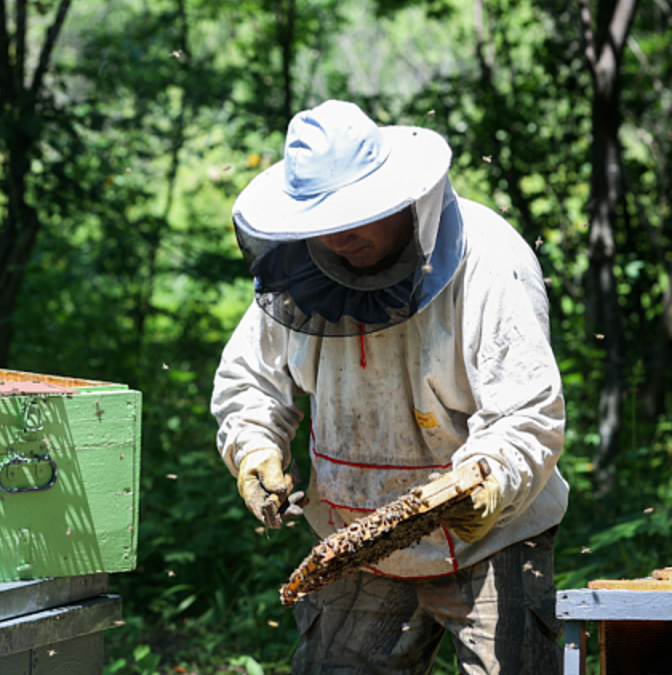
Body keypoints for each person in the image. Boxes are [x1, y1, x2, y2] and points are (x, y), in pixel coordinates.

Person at [211, 100, 568, 675]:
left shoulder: (489, 257)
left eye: (355, 215)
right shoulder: (300, 269)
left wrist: (489, 479)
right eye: (323, 224)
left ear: (401, 197)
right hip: (353, 540)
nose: (341, 237)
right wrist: (254, 447)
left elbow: (527, 409)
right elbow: (251, 379)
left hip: (491, 539)